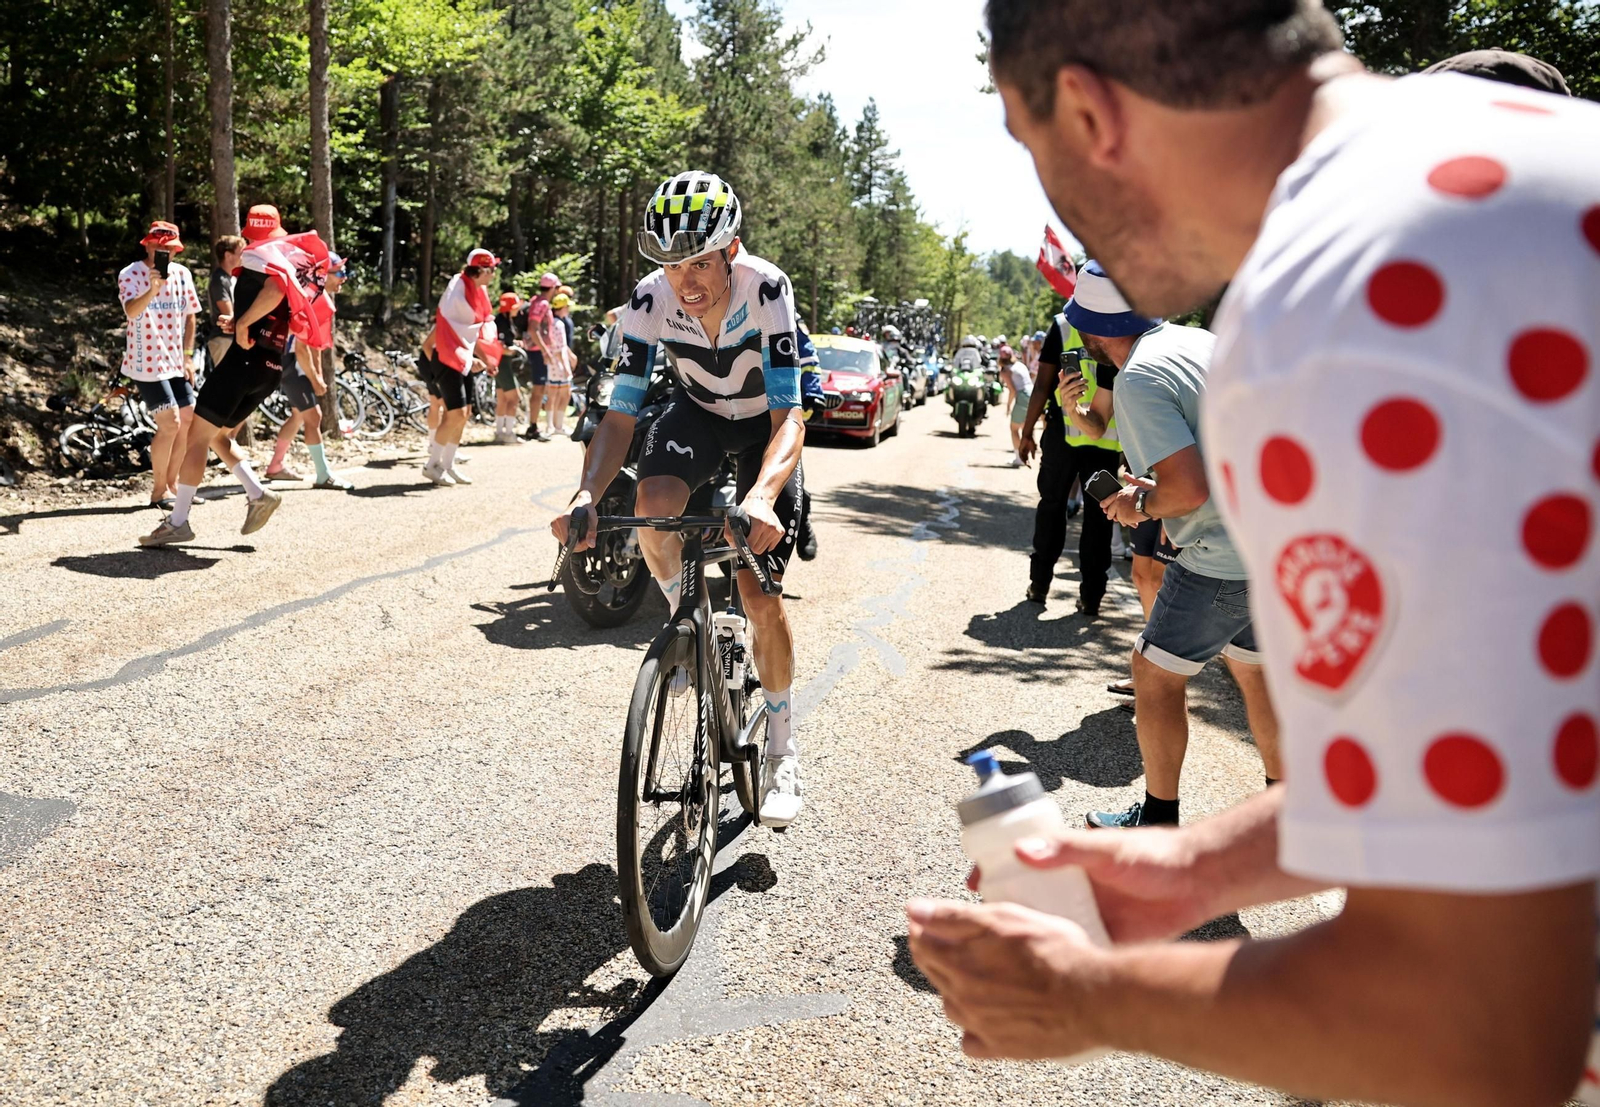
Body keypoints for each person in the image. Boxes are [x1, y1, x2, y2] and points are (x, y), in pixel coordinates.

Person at [911, 5, 1599, 1104]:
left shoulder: (1342, 289)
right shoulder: (1514, 166)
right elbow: (1495, 762)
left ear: (1086, 111)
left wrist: (1086, 996)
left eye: (1025, 141)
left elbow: (1477, 1031)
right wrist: (1189, 869)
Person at [551, 170, 809, 827]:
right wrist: (586, 493)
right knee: (652, 503)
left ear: (732, 250)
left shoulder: (767, 288)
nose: (684, 281)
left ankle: (782, 750)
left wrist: (762, 497)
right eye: (671, 265)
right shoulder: (648, 300)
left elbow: (790, 415)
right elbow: (620, 417)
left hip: (765, 423)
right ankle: (684, 623)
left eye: (699, 262)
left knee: (758, 591)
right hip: (699, 415)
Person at [139, 204, 311, 546]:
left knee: (196, 438)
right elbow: (278, 309)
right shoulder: (283, 259)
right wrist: (241, 321)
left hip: (243, 364)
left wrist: (243, 323)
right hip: (269, 367)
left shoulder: (258, 257)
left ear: (250, 232)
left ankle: (178, 522)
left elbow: (274, 292)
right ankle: (258, 493)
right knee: (217, 436)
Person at [1018, 299, 1117, 614]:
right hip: (1108, 442)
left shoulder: (1063, 325)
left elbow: (1042, 385)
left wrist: (1026, 432)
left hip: (1063, 436)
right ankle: (1092, 597)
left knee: (1052, 507)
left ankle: (1039, 585)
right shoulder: (1121, 324)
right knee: (1100, 517)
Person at [118, 220, 201, 510]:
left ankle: (173, 484)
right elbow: (131, 311)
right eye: (157, 247)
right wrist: (152, 289)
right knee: (170, 423)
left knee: (188, 420)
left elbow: (191, 316)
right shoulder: (130, 273)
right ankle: (158, 491)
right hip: (146, 362)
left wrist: (188, 356)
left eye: (169, 249)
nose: (163, 253)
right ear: (148, 246)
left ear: (176, 250)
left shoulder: (182, 274)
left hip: (175, 361)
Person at [263, 253, 353, 490]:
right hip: (287, 360)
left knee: (299, 415)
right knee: (313, 417)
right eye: (339, 272)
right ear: (322, 275)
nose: (344, 278)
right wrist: (315, 379)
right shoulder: (309, 297)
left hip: (286, 358)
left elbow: (314, 345)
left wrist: (317, 375)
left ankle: (276, 465)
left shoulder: (314, 295)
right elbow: (302, 349)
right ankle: (323, 474)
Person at [425, 248, 501, 486]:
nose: (494, 275)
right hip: (446, 358)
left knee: (464, 413)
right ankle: (432, 464)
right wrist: (470, 356)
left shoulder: (475, 291)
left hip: (461, 358)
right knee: (455, 413)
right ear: (482, 270)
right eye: (492, 270)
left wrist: (486, 359)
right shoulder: (457, 292)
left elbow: (469, 335)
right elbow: (452, 332)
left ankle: (448, 464)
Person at [518, 272, 560, 441]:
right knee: (538, 389)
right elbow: (533, 328)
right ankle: (533, 427)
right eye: (557, 288)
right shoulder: (542, 304)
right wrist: (545, 350)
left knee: (540, 389)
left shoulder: (537, 301)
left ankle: (533, 425)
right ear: (552, 288)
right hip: (536, 352)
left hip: (536, 350)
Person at [492, 291, 530, 444]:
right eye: (515, 307)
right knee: (514, 398)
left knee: (502, 399)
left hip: (503, 363)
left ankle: (500, 432)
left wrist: (515, 344)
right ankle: (508, 433)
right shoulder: (501, 322)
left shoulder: (506, 320)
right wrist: (511, 350)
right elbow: (499, 346)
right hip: (502, 364)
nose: (518, 310)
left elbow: (506, 341)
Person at [206, 235, 245, 371]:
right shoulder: (219, 280)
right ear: (228, 255)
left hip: (233, 339)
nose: (243, 257)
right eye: (241, 253)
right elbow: (228, 313)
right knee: (227, 380)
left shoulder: (231, 278)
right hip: (223, 340)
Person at [543, 291, 575, 437]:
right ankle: (558, 425)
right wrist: (566, 367)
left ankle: (550, 425)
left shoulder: (550, 322)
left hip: (551, 363)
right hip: (559, 363)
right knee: (564, 394)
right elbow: (560, 348)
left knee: (552, 394)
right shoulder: (560, 324)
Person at [997, 344, 1032, 467]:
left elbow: (1012, 390)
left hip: (1023, 396)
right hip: (1032, 394)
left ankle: (1019, 458)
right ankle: (1025, 455)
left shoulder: (1005, 370)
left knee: (1014, 428)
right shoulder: (1020, 365)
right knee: (1024, 427)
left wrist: (1008, 406)